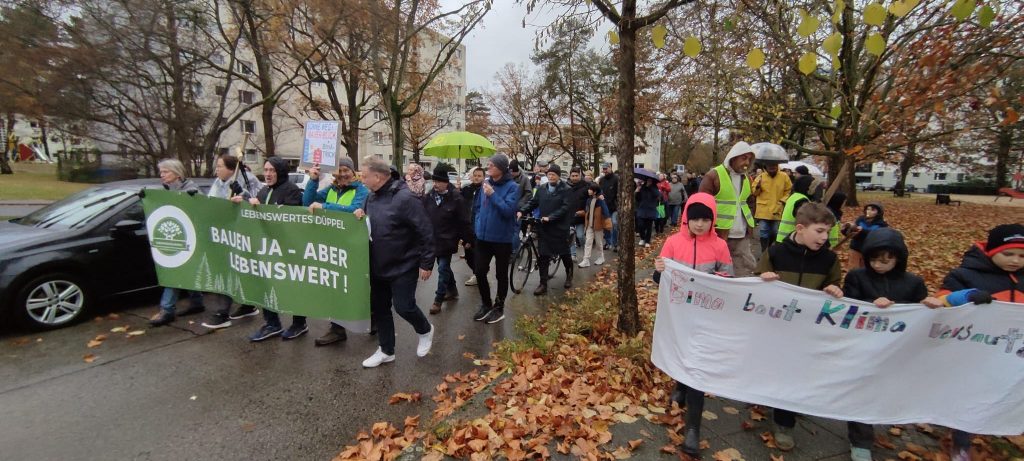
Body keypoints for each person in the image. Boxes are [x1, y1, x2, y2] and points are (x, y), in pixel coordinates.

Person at [841, 228, 939, 461]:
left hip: (896, 349)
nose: (878, 265)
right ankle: (861, 440)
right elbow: (848, 307)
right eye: (873, 260)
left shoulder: (913, 283)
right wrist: (871, 303)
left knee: (885, 389)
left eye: (885, 261)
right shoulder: (857, 277)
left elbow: (919, 313)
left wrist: (927, 305)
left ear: (898, 258)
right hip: (864, 346)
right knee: (862, 392)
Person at [929, 223, 1024, 461]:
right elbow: (942, 301)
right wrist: (966, 296)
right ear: (991, 251)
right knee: (969, 394)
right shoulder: (965, 275)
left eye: (1022, 256)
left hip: (1013, 352)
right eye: (1008, 254)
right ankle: (961, 441)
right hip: (975, 349)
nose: (1015, 260)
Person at [755, 202, 844, 452]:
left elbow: (835, 285)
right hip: (775, 326)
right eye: (819, 231)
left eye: (828, 232)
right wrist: (763, 278)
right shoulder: (776, 253)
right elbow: (756, 280)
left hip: (807, 330)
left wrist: (835, 289)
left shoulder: (829, 259)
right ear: (801, 228)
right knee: (774, 367)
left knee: (794, 372)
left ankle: (785, 423)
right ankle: (767, 397)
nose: (825, 238)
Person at [653, 192, 733, 457]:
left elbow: (728, 278)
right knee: (682, 352)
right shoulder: (673, 242)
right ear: (687, 217)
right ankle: (680, 385)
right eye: (695, 218)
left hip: (706, 316)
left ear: (713, 221)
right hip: (679, 314)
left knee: (698, 365)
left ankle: (693, 429)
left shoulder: (720, 246)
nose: (700, 224)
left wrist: (715, 280)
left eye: (705, 219)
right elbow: (659, 279)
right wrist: (659, 270)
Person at [358, 156, 436, 367]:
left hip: (403, 264)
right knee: (380, 308)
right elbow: (367, 223)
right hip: (377, 264)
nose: (362, 180)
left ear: (378, 176)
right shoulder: (370, 197)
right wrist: (359, 216)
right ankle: (386, 350)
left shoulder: (406, 198)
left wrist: (427, 263)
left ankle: (425, 330)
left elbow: (425, 231)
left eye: (364, 176)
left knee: (403, 306)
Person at [302, 157, 369, 346]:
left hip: (353, 248)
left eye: (346, 170)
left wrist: (325, 207)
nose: (342, 174)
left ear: (353, 172)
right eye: (339, 170)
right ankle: (337, 329)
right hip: (333, 248)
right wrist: (313, 180)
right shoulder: (331, 189)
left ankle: (376, 319)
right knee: (336, 288)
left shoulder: (361, 191)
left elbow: (354, 210)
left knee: (359, 288)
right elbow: (307, 202)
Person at [246, 157, 307, 342]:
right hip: (268, 249)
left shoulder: (291, 190)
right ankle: (272, 323)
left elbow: (290, 218)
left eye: (272, 170)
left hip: (288, 249)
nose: (268, 174)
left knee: (293, 286)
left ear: (280, 171)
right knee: (266, 284)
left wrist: (263, 209)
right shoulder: (263, 191)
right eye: (265, 170)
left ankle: (299, 323)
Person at [200, 154, 263, 330]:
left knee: (235, 270)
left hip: (244, 234)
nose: (217, 170)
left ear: (231, 169)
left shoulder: (247, 180)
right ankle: (242, 306)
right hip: (225, 235)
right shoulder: (218, 183)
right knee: (229, 270)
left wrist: (242, 196)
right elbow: (213, 203)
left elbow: (259, 202)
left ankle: (225, 312)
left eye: (220, 166)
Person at [149, 159, 205, 327]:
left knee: (175, 272)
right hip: (176, 238)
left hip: (191, 240)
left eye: (165, 172)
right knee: (185, 270)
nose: (162, 175)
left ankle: (167, 310)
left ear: (177, 173)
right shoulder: (166, 191)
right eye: (161, 172)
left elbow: (201, 212)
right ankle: (197, 302)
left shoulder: (192, 191)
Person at [471, 154, 519, 324]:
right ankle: (486, 304)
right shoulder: (485, 183)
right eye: (488, 164)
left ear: (502, 168)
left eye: (492, 165)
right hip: (483, 238)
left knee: (500, 275)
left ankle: (499, 308)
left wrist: (492, 195)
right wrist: (477, 225)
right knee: (479, 271)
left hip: (502, 239)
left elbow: (508, 211)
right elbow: (478, 208)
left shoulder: (513, 187)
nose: (488, 167)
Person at [699, 142, 758, 276]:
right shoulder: (714, 175)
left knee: (743, 270)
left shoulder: (747, 178)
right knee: (717, 269)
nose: (747, 162)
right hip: (719, 233)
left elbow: (750, 201)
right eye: (744, 158)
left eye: (749, 159)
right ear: (734, 157)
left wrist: (750, 221)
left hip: (742, 233)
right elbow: (701, 203)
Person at [422, 165, 472, 315]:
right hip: (433, 240)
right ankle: (453, 290)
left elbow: (463, 221)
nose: (435, 184)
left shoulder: (456, 198)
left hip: (448, 240)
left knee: (443, 268)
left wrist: (468, 239)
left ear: (446, 182)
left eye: (438, 181)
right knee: (444, 268)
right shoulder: (428, 197)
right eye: (434, 181)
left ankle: (438, 299)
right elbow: (423, 218)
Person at [520, 163, 574, 295]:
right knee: (543, 255)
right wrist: (522, 211)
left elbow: (565, 207)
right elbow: (533, 202)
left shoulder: (566, 189)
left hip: (559, 227)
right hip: (544, 226)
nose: (551, 177)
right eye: (549, 174)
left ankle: (569, 274)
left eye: (553, 175)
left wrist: (551, 217)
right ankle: (543, 283)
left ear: (558, 176)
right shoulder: (542, 188)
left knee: (564, 253)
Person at [751, 162, 792, 250]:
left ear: (777, 166)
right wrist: (758, 187)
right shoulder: (760, 177)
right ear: (766, 166)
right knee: (763, 231)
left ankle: (770, 248)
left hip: (777, 209)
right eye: (769, 165)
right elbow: (754, 193)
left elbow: (789, 191)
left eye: (774, 165)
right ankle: (764, 251)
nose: (772, 167)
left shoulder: (784, 176)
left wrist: (783, 201)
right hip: (763, 210)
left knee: (775, 232)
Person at [461, 167, 485, 287]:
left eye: (479, 176)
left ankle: (478, 274)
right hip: (467, 226)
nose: (477, 178)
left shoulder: (485, 190)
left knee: (477, 253)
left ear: (484, 177)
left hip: (479, 227)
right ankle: (479, 272)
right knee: (468, 255)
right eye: (475, 175)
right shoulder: (466, 189)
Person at [846, 203, 887, 269]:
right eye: (868, 209)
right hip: (856, 248)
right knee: (853, 267)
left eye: (872, 210)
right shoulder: (860, 219)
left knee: (865, 268)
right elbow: (854, 233)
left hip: (869, 250)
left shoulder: (881, 224)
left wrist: (862, 231)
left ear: (879, 212)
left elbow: (876, 236)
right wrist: (849, 229)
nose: (869, 211)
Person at [578, 183, 610, 268]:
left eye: (590, 189)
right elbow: (587, 211)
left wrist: (607, 222)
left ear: (595, 192)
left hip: (598, 225)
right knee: (588, 242)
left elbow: (606, 211)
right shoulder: (589, 200)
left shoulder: (600, 200)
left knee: (599, 242)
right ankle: (586, 260)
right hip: (589, 224)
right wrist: (582, 213)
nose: (588, 190)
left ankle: (601, 257)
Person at [567, 167, 589, 259]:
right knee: (570, 236)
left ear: (580, 176)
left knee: (580, 236)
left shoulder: (586, 186)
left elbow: (590, 200)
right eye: (573, 176)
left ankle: (586, 252)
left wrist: (585, 211)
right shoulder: (566, 186)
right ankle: (573, 254)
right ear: (570, 176)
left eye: (576, 176)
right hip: (569, 216)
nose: (575, 178)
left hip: (581, 216)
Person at [598, 163, 619, 251]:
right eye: (603, 169)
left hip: (614, 206)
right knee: (606, 226)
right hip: (604, 206)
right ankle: (608, 242)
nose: (605, 170)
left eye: (606, 168)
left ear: (610, 168)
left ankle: (615, 243)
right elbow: (599, 191)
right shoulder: (602, 180)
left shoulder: (616, 179)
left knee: (614, 224)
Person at [635, 177, 661, 247]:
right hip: (642, 208)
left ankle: (647, 241)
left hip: (650, 209)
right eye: (648, 180)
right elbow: (637, 199)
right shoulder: (642, 187)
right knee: (640, 225)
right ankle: (642, 238)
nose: (648, 182)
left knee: (649, 226)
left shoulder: (654, 188)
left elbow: (657, 195)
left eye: (650, 181)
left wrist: (650, 187)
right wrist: (637, 191)